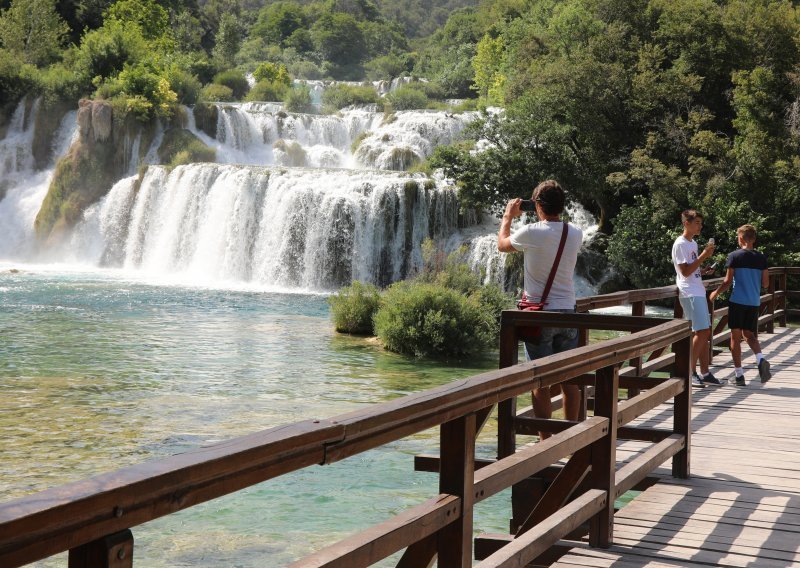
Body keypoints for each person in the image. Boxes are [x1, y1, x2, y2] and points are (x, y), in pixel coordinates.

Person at [497, 180, 583, 439]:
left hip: (539, 315)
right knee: (570, 379)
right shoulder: (575, 232)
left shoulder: (531, 232)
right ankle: (570, 438)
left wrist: (507, 216)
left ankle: (546, 442)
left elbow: (502, 245)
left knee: (540, 382)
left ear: (536, 205)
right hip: (569, 312)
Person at [709, 224, 771, 386]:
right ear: (754, 239)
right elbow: (765, 284)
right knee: (749, 334)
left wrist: (715, 293)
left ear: (741, 238)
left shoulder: (734, 256)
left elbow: (727, 281)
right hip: (753, 302)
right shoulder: (761, 258)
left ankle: (739, 376)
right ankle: (760, 358)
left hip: (738, 301)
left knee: (735, 338)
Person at [672, 209, 721, 388]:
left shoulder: (692, 243)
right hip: (690, 292)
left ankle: (705, 372)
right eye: (697, 223)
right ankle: (689, 371)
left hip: (697, 290)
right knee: (703, 332)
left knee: (702, 333)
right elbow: (684, 272)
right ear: (686, 223)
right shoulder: (681, 244)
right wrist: (703, 256)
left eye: (700, 223)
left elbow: (692, 269)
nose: (700, 226)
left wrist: (704, 269)